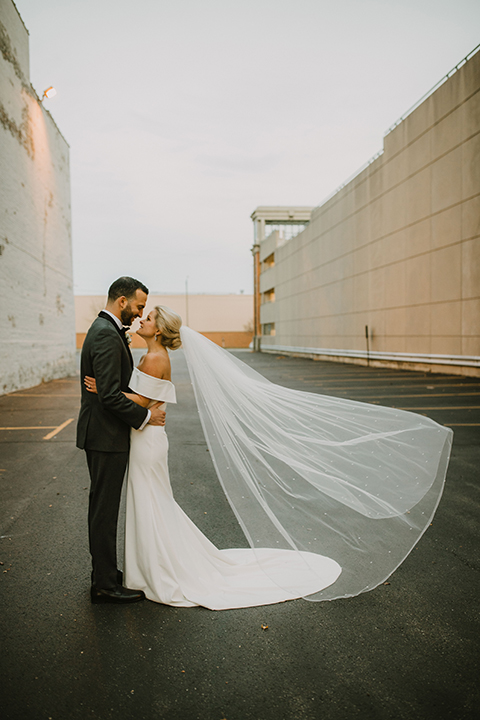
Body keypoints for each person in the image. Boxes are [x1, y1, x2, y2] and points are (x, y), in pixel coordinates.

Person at [84, 306, 453, 610]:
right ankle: (148, 569)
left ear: (159, 332)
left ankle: (157, 571)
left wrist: (105, 390)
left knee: (151, 503)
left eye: (147, 319)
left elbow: (144, 401)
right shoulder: (153, 354)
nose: (140, 321)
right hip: (149, 436)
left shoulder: (153, 357)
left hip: (148, 439)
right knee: (152, 502)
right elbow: (147, 399)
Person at [77, 277, 167, 604]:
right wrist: (145, 417)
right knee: (103, 510)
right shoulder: (104, 334)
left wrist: (109, 390)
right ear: (122, 302)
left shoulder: (109, 330)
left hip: (108, 434)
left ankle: (105, 572)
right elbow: (110, 397)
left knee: (105, 508)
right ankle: (103, 584)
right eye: (139, 306)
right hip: (104, 435)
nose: (140, 312)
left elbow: (110, 388)